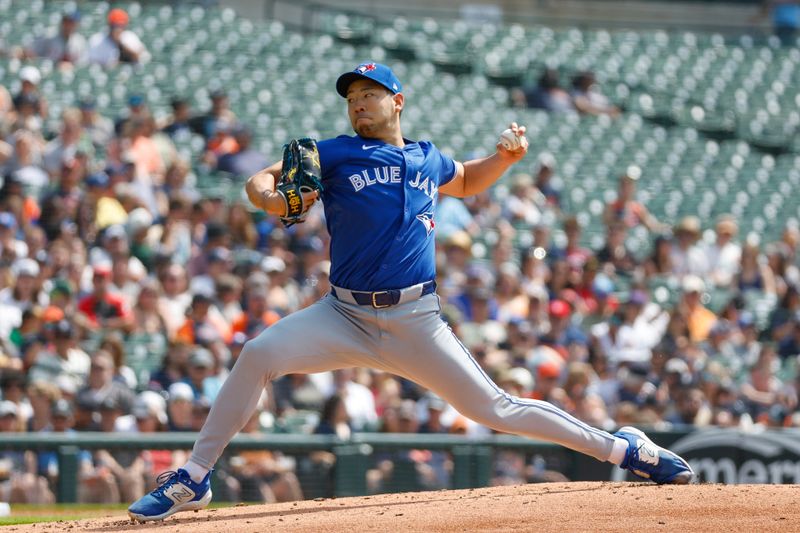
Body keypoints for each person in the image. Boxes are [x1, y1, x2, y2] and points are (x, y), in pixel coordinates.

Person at [128, 61, 693, 522]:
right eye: (352, 97)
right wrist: (269, 198)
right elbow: (265, 181)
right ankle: (195, 477)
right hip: (341, 314)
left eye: (370, 94)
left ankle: (625, 449)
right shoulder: (337, 151)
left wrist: (504, 159)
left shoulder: (427, 157)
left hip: (415, 320)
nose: (358, 104)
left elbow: (467, 181)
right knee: (257, 355)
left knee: (494, 407)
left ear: (398, 101)